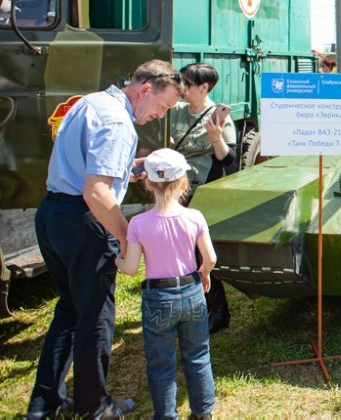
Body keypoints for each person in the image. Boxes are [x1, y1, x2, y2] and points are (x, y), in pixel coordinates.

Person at [28, 60, 184, 419]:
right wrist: (128, 237)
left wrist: (127, 168)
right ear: (145, 89)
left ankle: (43, 404)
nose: (160, 116)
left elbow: (86, 166)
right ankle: (94, 405)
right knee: (96, 317)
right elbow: (97, 192)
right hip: (85, 223)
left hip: (52, 214)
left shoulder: (93, 101)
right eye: (162, 107)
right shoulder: (118, 123)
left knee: (69, 310)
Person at [116, 149, 217, 420]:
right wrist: (204, 273)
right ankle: (203, 411)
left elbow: (130, 268)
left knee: (161, 364)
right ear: (183, 182)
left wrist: (116, 258)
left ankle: (166, 415)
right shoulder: (195, 217)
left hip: (158, 298)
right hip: (192, 291)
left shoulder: (137, 223)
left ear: (148, 184)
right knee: (197, 355)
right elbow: (210, 258)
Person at [172, 62, 237, 333]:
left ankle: (218, 311)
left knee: (200, 253)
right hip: (174, 191)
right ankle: (188, 305)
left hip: (201, 192)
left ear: (203, 87)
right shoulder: (174, 112)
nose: (181, 87)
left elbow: (230, 161)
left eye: (186, 82)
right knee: (177, 252)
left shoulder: (218, 117)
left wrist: (216, 139)